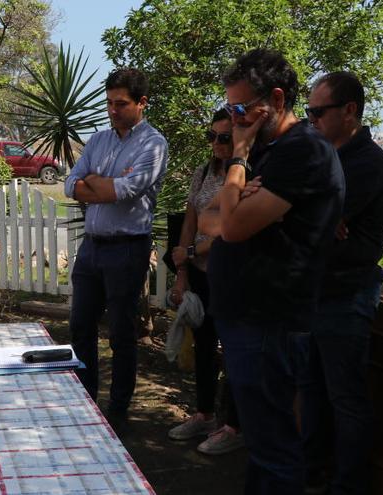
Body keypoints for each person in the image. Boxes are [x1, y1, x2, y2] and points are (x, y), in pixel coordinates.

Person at [199, 49, 344, 493]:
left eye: (242, 108)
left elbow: (235, 227)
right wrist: (235, 197)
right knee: (260, 446)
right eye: (230, 110)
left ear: (277, 99)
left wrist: (238, 163)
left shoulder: (301, 151)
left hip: (269, 322)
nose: (236, 119)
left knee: (275, 448)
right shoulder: (271, 147)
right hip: (247, 318)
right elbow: (208, 215)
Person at [298, 72, 383, 494]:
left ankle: (347, 485)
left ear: (350, 111)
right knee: (312, 391)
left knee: (346, 399)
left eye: (318, 111)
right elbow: (302, 216)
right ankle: (312, 473)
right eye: (307, 111)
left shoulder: (369, 163)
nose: (311, 119)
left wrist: (309, 215)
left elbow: (306, 219)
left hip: (346, 295)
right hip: (314, 292)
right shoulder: (322, 156)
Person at [63, 68, 169, 415]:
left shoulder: (153, 143)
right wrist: (100, 183)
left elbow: (126, 191)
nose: (112, 110)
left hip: (127, 248)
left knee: (122, 333)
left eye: (121, 104)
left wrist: (94, 183)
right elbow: (70, 184)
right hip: (92, 246)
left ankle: (118, 410)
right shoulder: (97, 141)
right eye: (109, 103)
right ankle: (85, 401)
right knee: (80, 326)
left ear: (142, 103)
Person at [167, 108, 243, 455]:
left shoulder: (245, 173)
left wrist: (197, 247)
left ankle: (233, 425)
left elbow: (235, 227)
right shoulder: (203, 172)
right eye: (210, 136)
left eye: (224, 138)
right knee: (204, 346)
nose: (215, 144)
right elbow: (190, 219)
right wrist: (182, 264)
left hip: (230, 274)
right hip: (199, 271)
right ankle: (205, 413)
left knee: (235, 351)